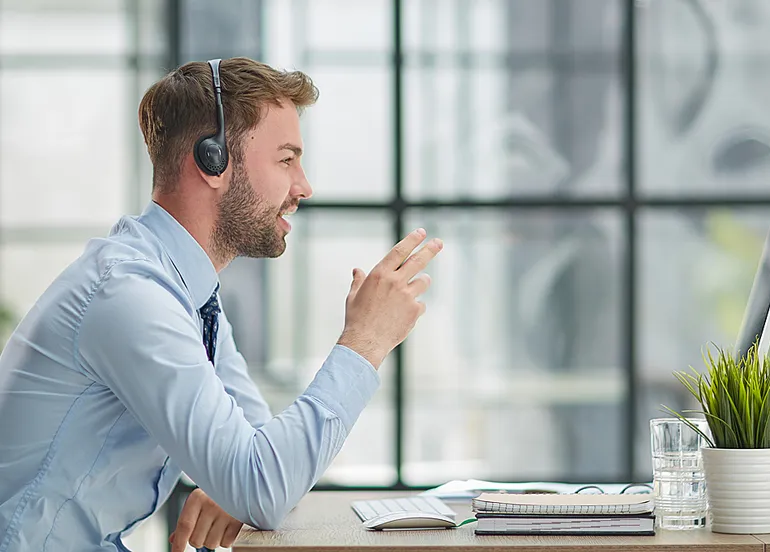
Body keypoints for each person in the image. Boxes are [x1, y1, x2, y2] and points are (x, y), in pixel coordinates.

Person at [0, 57, 442, 552]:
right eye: (286, 159)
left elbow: (267, 468)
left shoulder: (189, 295)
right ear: (213, 161)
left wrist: (242, 487)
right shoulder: (131, 295)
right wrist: (365, 342)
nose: (304, 187)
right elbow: (264, 486)